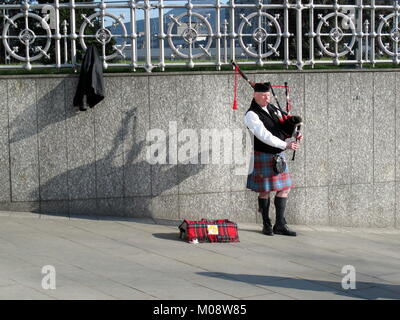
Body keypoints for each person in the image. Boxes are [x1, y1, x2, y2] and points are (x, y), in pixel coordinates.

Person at [244, 82, 302, 237]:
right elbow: (264, 135)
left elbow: (283, 125)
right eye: (263, 95)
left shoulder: (273, 109)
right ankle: (266, 224)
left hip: (278, 155)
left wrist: (295, 131)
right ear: (254, 95)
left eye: (268, 95)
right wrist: (286, 145)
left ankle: (280, 224)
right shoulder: (251, 115)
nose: (267, 98)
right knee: (265, 191)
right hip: (263, 154)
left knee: (285, 188)